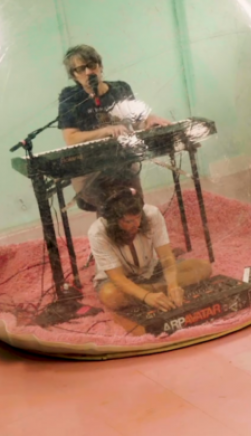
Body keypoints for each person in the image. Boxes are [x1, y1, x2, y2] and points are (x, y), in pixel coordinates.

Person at [59, 44, 171, 212]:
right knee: (113, 212)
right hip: (90, 170)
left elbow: (138, 119)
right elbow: (71, 138)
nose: (89, 72)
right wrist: (104, 131)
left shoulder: (121, 89)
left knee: (134, 209)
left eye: (92, 65)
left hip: (124, 163)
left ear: (100, 65)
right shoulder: (70, 98)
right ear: (74, 75)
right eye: (81, 69)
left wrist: (149, 119)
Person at [90, 188, 212, 335]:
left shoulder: (152, 214)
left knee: (203, 267)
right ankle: (157, 291)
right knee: (110, 296)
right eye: (128, 221)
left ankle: (159, 291)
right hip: (119, 282)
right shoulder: (97, 233)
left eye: (138, 217)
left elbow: (166, 257)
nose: (136, 224)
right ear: (114, 221)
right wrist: (147, 297)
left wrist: (173, 285)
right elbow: (118, 278)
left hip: (151, 270)